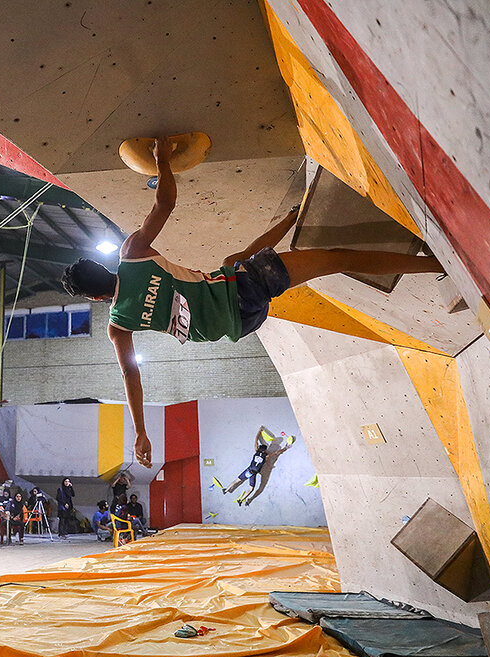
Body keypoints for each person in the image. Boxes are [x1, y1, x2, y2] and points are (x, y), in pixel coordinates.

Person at [61, 137, 443, 469]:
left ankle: (290, 220)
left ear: (95, 298)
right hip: (242, 291)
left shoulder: (117, 325)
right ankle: (435, 263)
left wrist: (141, 434)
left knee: (231, 263)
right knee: (336, 258)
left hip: (238, 326)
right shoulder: (133, 253)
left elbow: (131, 376)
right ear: (102, 264)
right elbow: (165, 203)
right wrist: (162, 158)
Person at [214, 428, 295, 505]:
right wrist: (285, 448)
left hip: (248, 470)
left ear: (259, 448)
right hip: (254, 473)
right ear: (265, 450)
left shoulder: (256, 451)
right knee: (251, 489)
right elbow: (277, 453)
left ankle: (227, 490)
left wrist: (259, 432)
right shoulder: (266, 456)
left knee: (236, 480)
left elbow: (256, 441)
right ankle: (241, 500)